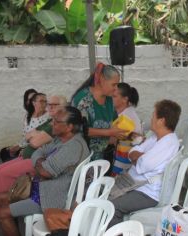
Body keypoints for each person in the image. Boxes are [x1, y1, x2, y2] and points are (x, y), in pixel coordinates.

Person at [0, 106, 90, 236]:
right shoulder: (62, 139)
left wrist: (41, 164)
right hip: (42, 188)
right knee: (2, 197)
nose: (52, 123)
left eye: (57, 122)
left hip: (51, 197)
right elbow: (38, 151)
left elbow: (45, 172)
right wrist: (41, 162)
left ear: (69, 127)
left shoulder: (73, 146)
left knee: (2, 214)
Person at [0, 95, 67, 220]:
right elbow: (28, 135)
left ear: (63, 107)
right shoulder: (50, 121)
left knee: (4, 174)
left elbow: (34, 142)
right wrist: (35, 135)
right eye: (49, 104)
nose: (50, 107)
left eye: (54, 105)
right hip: (28, 156)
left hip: (37, 161)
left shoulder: (57, 124)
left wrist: (35, 136)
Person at [108, 99, 181, 227]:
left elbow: (142, 164)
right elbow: (133, 151)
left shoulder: (168, 143)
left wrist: (140, 156)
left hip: (147, 193)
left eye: (153, 115)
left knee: (112, 207)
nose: (151, 118)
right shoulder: (155, 137)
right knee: (101, 192)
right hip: (134, 184)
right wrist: (140, 156)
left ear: (161, 120)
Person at [71, 62, 126, 160]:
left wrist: (126, 133)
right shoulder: (84, 100)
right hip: (83, 157)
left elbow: (114, 123)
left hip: (104, 156)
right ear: (101, 79)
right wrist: (109, 132)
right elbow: (79, 129)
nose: (116, 89)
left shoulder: (109, 100)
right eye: (114, 84)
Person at [111, 82, 142, 176]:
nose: (110, 98)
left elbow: (113, 140)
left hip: (123, 162)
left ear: (125, 99)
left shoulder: (127, 117)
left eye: (114, 96)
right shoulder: (121, 112)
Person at [0, 88, 37, 162]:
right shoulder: (28, 115)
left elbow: (34, 139)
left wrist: (18, 147)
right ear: (26, 102)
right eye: (29, 100)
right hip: (25, 144)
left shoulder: (39, 116)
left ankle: (15, 167)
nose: (32, 102)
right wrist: (16, 146)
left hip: (32, 147)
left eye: (34, 99)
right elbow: (25, 136)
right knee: (4, 151)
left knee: (6, 154)